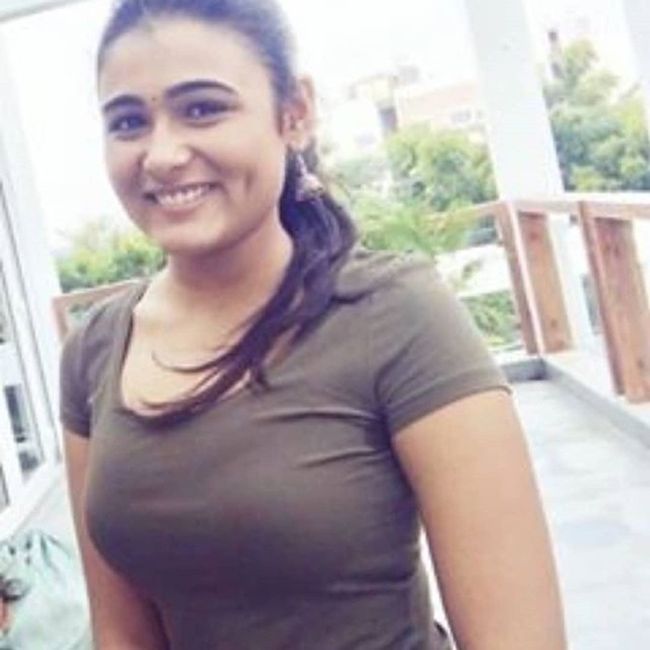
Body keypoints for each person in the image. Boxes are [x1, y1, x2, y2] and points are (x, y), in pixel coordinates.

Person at [60, 0, 567, 648]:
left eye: (203, 108)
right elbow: (122, 634)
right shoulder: (95, 351)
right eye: (129, 122)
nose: (160, 155)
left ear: (294, 113)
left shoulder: (396, 317)